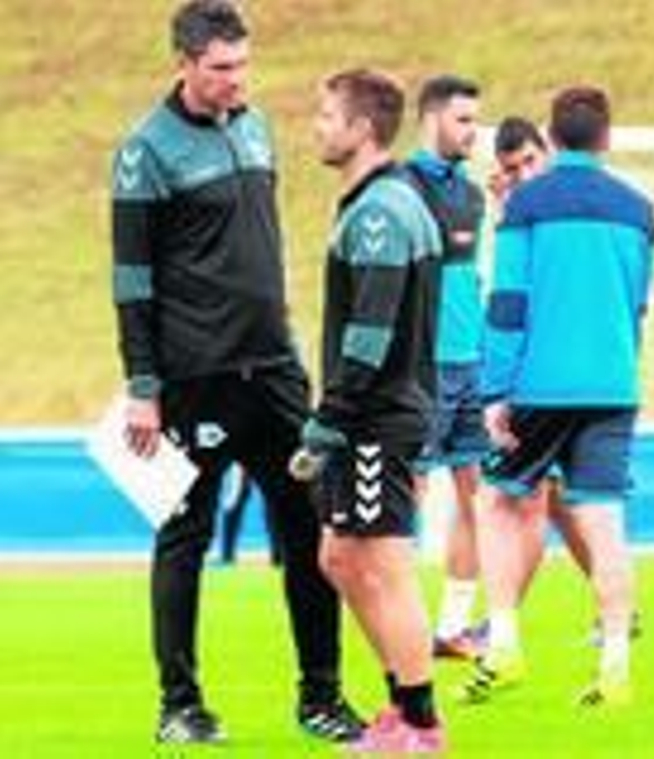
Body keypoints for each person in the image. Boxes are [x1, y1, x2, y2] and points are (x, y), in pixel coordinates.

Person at [109, 0, 359, 743]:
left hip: (276, 372)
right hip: (193, 380)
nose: (237, 81)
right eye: (221, 69)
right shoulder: (145, 152)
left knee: (311, 532)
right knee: (182, 537)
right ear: (184, 63)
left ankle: (321, 697)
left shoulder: (255, 127)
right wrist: (144, 387)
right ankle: (179, 706)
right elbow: (131, 282)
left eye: (243, 65)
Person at [465, 85, 653, 708]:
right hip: (613, 383)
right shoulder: (638, 209)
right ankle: (616, 665)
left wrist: (495, 389)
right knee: (604, 524)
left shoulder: (526, 205)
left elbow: (508, 304)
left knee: (497, 502)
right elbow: (638, 304)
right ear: (606, 138)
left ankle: (505, 643)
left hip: (539, 385)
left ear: (552, 136)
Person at [303, 66, 447, 752]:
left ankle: (419, 724)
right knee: (338, 557)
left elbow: (370, 330)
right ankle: (400, 703)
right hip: (374, 412)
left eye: (327, 115)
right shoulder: (381, 201)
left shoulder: (382, 212)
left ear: (363, 128)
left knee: (385, 564)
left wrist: (329, 416)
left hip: (375, 417)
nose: (317, 126)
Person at [403, 74, 492, 660]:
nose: (473, 132)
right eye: (463, 120)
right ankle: (401, 626)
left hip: (471, 366)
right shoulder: (401, 188)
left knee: (478, 499)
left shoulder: (471, 194)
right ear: (432, 119)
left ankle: (452, 626)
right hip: (421, 370)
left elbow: (471, 280)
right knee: (405, 498)